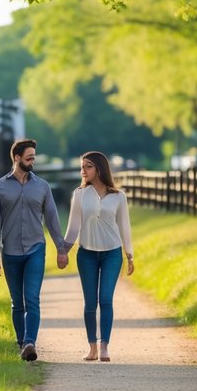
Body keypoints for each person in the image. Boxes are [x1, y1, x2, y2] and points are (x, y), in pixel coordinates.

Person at [0, 138, 71, 362]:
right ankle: (22, 343)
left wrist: (61, 249)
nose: (33, 160)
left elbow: (52, 218)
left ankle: (30, 342)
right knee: (17, 303)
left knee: (32, 298)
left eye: (34, 156)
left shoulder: (42, 186)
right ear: (17, 158)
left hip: (35, 249)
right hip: (11, 252)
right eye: (29, 157)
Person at [63, 150, 134, 362]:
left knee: (105, 299)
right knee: (90, 302)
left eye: (88, 166)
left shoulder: (118, 196)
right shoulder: (79, 194)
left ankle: (104, 347)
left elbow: (125, 226)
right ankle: (92, 348)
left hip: (112, 253)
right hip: (86, 254)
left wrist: (129, 254)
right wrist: (63, 251)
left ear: (99, 168)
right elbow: (73, 227)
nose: (82, 171)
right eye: (82, 166)